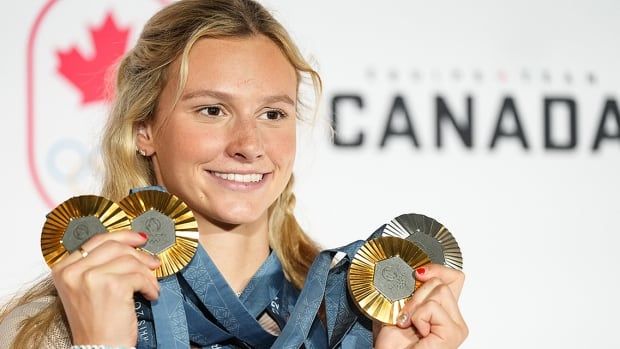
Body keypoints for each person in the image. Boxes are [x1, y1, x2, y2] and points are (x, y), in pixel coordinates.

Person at [0, 0, 468, 348]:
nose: (248, 145)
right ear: (144, 129)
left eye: (272, 115)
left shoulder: (365, 323)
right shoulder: (48, 326)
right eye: (212, 109)